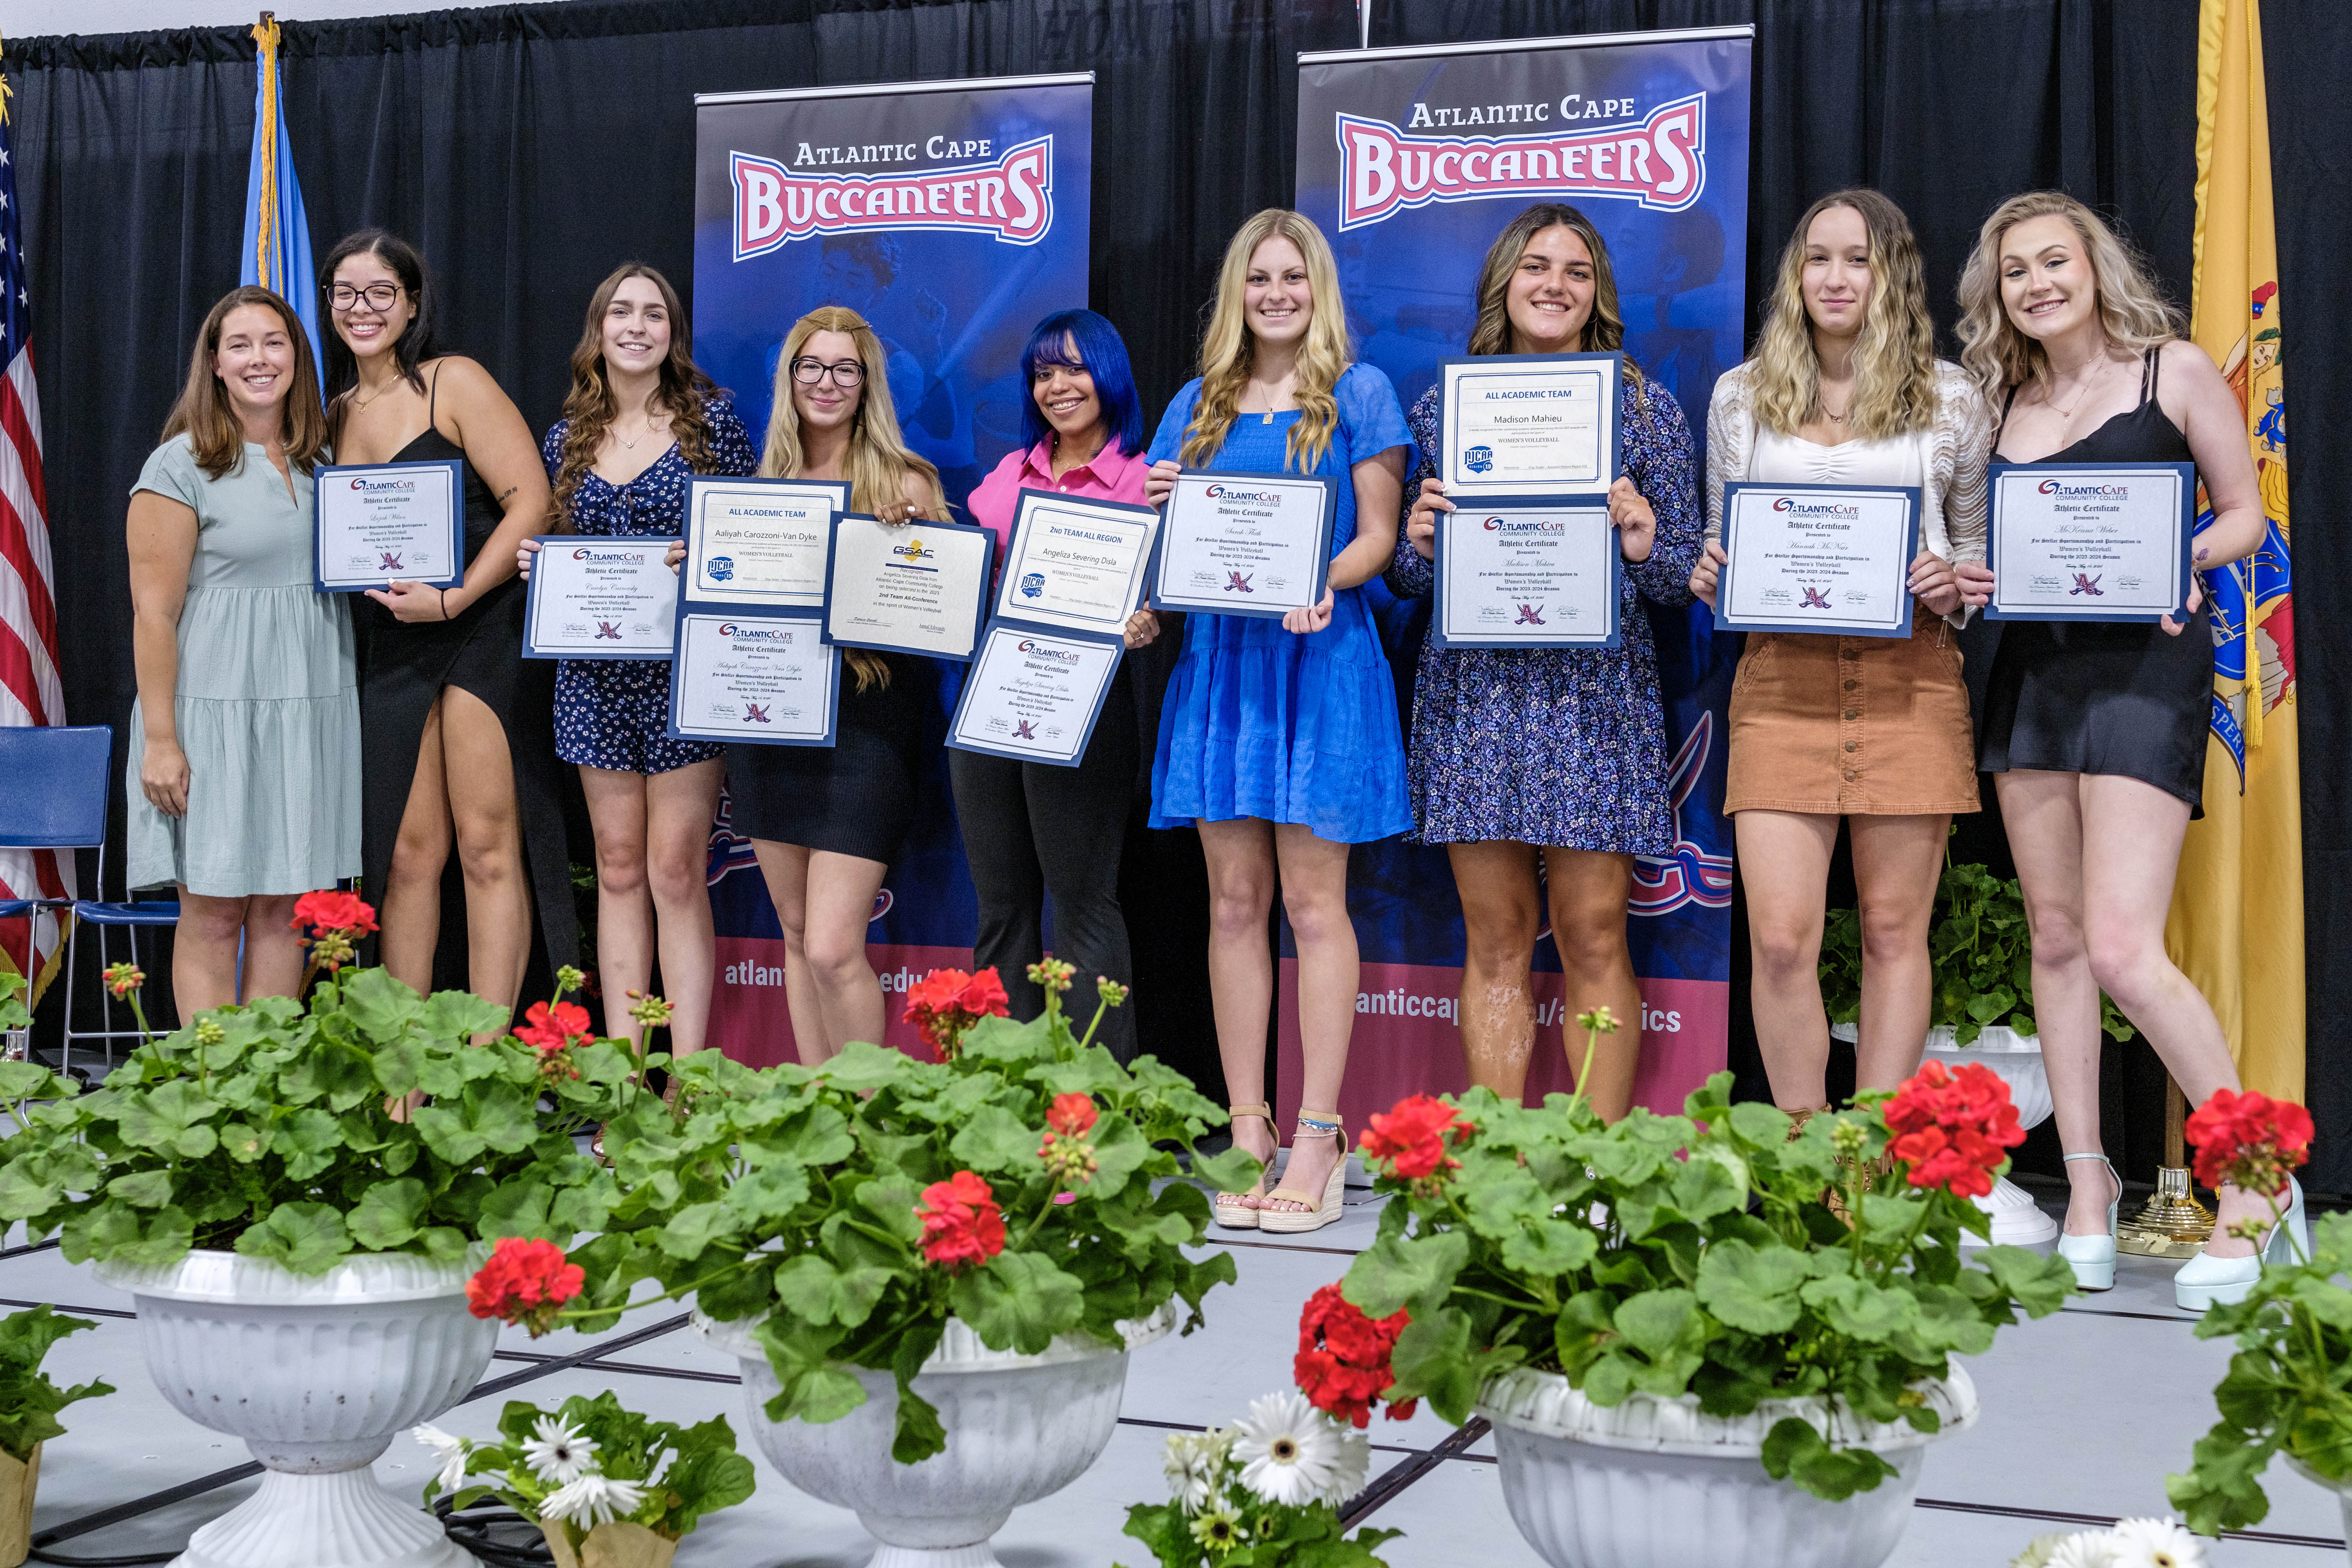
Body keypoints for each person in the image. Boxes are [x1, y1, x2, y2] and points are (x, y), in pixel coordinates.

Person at [1952, 191, 2281, 1308]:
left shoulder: (2171, 371)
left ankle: (2255, 1178)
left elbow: (2243, 512)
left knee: (2124, 946)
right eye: (2015, 272)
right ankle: (2087, 1186)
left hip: (2144, 672)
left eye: (2055, 261)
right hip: (2033, 677)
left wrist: (2180, 558)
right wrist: (1976, 570)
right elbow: (1977, 538)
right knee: (2054, 938)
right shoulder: (1997, 396)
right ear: (1997, 295)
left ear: (2096, 266)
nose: (2037, 283)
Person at [1388, 203, 1703, 1119]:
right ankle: (1499, 1170)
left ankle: (1596, 1174)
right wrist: (1417, 540)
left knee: (1595, 934)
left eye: (1576, 270)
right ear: (1503, 284)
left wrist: (1645, 542)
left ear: (1598, 293)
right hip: (1474, 695)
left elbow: (1682, 579)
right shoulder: (1444, 407)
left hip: (1593, 696)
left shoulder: (1643, 407)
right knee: (1494, 940)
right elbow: (1409, 577)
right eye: (1536, 267)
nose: (1553, 285)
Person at [1687, 191, 1991, 1124]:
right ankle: (1800, 1151)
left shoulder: (1950, 397)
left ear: (1891, 274)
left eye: (1856, 259)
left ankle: (1872, 1166)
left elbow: (1978, 560)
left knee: (1895, 933)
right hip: (1780, 680)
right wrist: (1710, 570)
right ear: (1794, 275)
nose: (1833, 278)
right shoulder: (1739, 398)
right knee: (1780, 942)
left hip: (1911, 680)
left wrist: (1954, 585)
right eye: (1816, 258)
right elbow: (1717, 541)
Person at [1143, 209, 1412, 1234]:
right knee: (1232, 907)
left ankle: (1319, 1132)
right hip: (1224, 673)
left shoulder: (1360, 392)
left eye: (1293, 276)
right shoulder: (1196, 405)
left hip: (1319, 662)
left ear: (1319, 287)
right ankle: (1246, 1125)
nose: (1276, 294)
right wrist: (1164, 499)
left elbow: (1379, 540)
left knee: (1312, 907)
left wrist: (1321, 584)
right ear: (1236, 292)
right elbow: (1170, 548)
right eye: (1258, 278)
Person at [320, 230, 575, 1015]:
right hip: (389, 646)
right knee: (405, 857)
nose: (362, 309)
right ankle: (407, 1068)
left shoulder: (452, 383)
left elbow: (533, 501)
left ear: (411, 305)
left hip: (478, 630)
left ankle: (485, 1065)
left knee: (489, 850)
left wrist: (455, 595)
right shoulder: (328, 417)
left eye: (380, 294)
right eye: (346, 294)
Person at [515, 264, 755, 1059]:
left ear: (672, 333)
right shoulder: (563, 439)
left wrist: (716, 551)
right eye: (621, 310)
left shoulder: (713, 426)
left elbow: (757, 539)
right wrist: (538, 566)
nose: (638, 325)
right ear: (598, 329)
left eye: (655, 313)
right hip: (592, 680)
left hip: (688, 674)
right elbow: (556, 546)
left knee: (677, 871)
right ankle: (622, 1082)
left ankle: (687, 1083)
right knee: (617, 869)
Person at [123, 287, 357, 1020]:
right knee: (216, 910)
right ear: (215, 365)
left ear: (298, 356)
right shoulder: (179, 466)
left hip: (311, 705)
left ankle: (263, 1090)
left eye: (275, 342)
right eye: (240, 345)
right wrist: (161, 741)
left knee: (287, 908)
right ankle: (214, 1095)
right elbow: (153, 615)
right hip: (212, 714)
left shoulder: (329, 459)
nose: (260, 358)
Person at [725, 306, 947, 1067]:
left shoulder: (907, 479)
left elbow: (943, 614)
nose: (827, 382)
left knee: (830, 945)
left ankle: (867, 1122)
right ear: (789, 379)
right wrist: (705, 576)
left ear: (867, 384)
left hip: (865, 734)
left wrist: (914, 542)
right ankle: (823, 1124)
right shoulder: (760, 486)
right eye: (811, 367)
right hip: (771, 730)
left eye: (844, 369)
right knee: (792, 932)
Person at [955, 309, 1162, 1062]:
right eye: (1042, 372)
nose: (1056, 385)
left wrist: (1148, 618)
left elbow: (1171, 592)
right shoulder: (1010, 473)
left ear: (1108, 374)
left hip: (1088, 711)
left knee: (1081, 908)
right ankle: (999, 1101)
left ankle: (1094, 1109)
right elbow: (964, 570)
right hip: (990, 704)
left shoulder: (1147, 480)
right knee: (1003, 909)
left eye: (1073, 368)